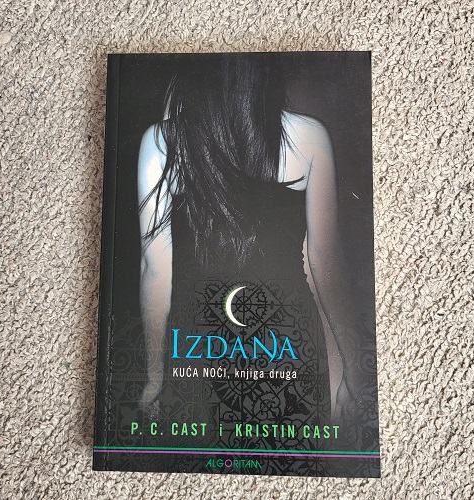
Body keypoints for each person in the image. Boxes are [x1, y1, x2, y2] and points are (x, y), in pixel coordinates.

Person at [137, 55, 366, 454]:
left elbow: (157, 273)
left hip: (199, 349)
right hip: (288, 346)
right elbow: (325, 267)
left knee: (202, 468)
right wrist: (349, 369)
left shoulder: (161, 141)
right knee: (293, 464)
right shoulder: (309, 136)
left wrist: (155, 378)